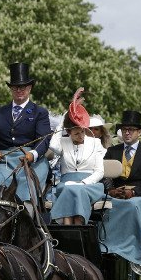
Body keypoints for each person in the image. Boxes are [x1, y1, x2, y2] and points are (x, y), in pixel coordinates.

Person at [0, 63, 51, 213]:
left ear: (29, 88)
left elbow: (44, 139)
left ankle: (29, 219)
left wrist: (32, 154)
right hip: (3, 160)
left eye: (23, 87)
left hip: (31, 160)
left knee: (26, 185)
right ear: (11, 89)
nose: (19, 90)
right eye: (15, 87)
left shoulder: (39, 112)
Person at [96, 110, 141, 266]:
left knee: (131, 206)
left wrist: (134, 192)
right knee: (105, 205)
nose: (127, 133)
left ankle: (131, 247)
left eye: (131, 130)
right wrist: (110, 190)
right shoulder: (112, 151)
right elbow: (104, 176)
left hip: (140, 194)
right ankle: (105, 245)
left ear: (139, 132)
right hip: (116, 193)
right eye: (124, 130)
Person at [48, 88, 106, 225]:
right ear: (67, 132)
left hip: (89, 185)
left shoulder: (95, 142)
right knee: (69, 189)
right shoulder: (62, 142)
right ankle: (69, 232)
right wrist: (61, 123)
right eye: (76, 134)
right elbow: (52, 146)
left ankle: (76, 230)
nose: (81, 136)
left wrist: (83, 183)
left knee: (75, 190)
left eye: (82, 132)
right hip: (65, 184)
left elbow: (100, 171)